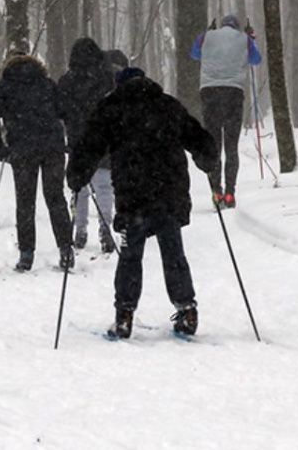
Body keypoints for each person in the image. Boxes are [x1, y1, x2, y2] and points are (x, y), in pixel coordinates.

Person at [67, 67, 218, 339]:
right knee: (173, 252)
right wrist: (206, 158)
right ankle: (186, 309)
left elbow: (90, 145)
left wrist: (78, 174)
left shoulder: (112, 108)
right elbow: (196, 136)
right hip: (168, 191)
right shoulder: (167, 104)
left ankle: (124, 315)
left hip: (134, 194)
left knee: (130, 256)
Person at [0, 52, 75, 272]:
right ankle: (65, 249)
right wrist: (71, 141)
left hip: (22, 148)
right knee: (55, 197)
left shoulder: (4, 87)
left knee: (25, 201)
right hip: (52, 146)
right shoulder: (47, 84)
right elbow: (66, 112)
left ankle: (26, 254)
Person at [190, 14, 262, 208]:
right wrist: (251, 40)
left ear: (220, 26)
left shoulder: (206, 36)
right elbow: (256, 60)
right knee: (231, 147)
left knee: (214, 145)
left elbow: (195, 54)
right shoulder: (244, 39)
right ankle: (230, 193)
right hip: (233, 94)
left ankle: (216, 191)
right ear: (237, 27)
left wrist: (207, 33)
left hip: (210, 93)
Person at [56, 38, 116, 252]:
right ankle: (106, 228)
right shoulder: (107, 79)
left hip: (78, 140)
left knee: (79, 187)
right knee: (104, 186)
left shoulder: (66, 81)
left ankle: (80, 231)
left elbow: (60, 110)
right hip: (103, 139)